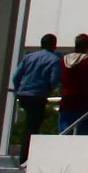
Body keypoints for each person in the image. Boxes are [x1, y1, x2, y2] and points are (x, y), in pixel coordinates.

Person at [11, 34, 61, 165]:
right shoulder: (54, 59)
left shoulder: (29, 57)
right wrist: (49, 89)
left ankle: (24, 155)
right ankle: (25, 158)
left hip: (24, 94)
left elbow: (16, 76)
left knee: (27, 124)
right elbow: (54, 79)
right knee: (32, 127)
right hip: (38, 95)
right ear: (53, 45)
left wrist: (19, 89)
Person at [57, 35, 88, 137]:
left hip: (67, 99)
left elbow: (60, 78)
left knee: (65, 130)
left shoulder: (63, 60)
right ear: (87, 46)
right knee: (82, 132)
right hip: (84, 100)